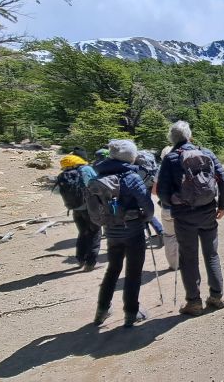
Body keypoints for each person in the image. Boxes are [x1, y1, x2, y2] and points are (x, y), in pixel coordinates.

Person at [157, 121, 224, 316]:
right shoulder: (207, 153)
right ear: (189, 136)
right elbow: (223, 180)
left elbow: (162, 192)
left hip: (184, 215)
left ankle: (194, 302)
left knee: (188, 258)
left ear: (171, 139)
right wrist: (222, 206)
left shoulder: (171, 158)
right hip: (208, 212)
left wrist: (173, 205)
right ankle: (216, 297)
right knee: (211, 254)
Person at [92, 139, 155, 327]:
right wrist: (145, 218)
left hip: (111, 231)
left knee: (113, 269)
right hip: (133, 230)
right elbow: (148, 206)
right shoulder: (131, 177)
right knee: (133, 272)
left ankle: (102, 309)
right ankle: (131, 313)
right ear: (129, 157)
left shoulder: (100, 176)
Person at [54, 154, 100, 271]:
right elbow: (97, 185)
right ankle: (90, 262)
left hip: (75, 209)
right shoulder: (86, 169)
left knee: (83, 233)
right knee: (95, 232)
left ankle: (80, 259)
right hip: (90, 207)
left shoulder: (63, 175)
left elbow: (57, 192)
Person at [155, 145, 178, 270]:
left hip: (167, 208)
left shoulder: (160, 170)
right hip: (183, 208)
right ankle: (186, 261)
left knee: (169, 236)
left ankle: (174, 265)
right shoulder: (182, 165)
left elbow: (154, 191)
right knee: (184, 234)